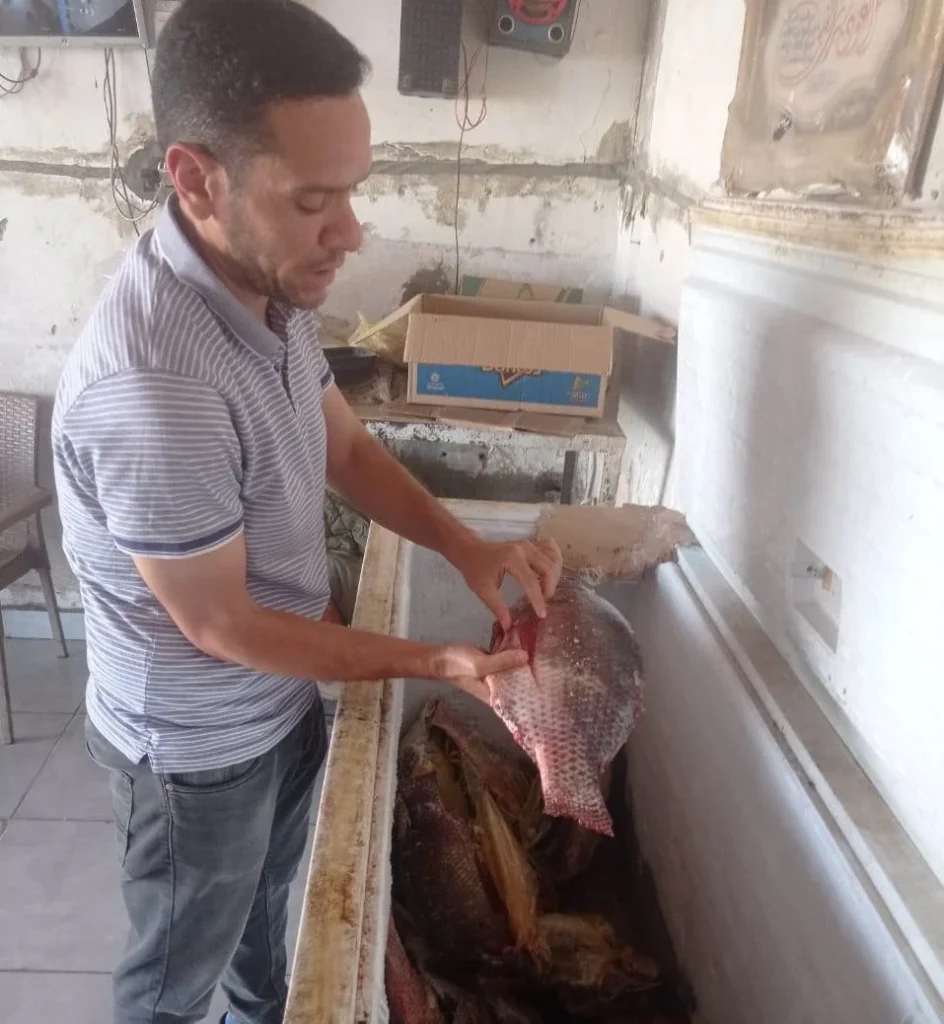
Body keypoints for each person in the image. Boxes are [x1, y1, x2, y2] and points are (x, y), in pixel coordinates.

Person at [51, 2, 562, 1023]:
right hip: (196, 750)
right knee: (174, 977)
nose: (350, 233)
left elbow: (347, 449)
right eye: (314, 201)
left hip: (279, 700)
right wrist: (431, 661)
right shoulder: (156, 385)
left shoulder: (269, 285)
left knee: (264, 928)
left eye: (353, 193)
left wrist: (464, 547)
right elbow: (223, 627)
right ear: (196, 178)